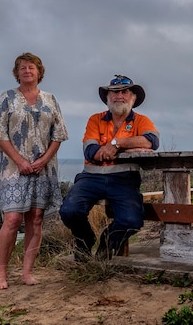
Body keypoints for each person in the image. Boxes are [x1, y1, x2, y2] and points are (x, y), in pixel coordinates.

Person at [0, 53, 68, 289]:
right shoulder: (7, 98)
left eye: (31, 67)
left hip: (43, 168)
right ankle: (1, 273)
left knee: (35, 220)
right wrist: (19, 161)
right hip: (12, 168)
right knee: (12, 218)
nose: (27, 71)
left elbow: (59, 135)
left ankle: (27, 272)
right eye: (22, 68)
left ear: (39, 72)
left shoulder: (50, 99)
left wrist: (43, 161)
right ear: (16, 73)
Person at [59, 75, 159, 260]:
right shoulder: (95, 120)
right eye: (114, 92)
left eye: (124, 92)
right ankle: (85, 239)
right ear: (107, 98)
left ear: (133, 97)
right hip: (91, 178)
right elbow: (90, 151)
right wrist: (131, 146)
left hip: (124, 180)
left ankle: (107, 240)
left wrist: (117, 144)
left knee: (132, 221)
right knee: (69, 211)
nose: (119, 96)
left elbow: (152, 141)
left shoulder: (141, 120)